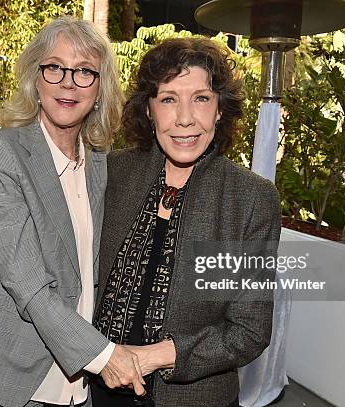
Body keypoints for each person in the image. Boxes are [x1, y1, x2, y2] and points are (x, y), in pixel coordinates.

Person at [0, 17, 149, 407]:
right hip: (12, 375)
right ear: (35, 79)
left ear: (100, 89)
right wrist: (105, 355)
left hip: (81, 382)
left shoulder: (104, 165)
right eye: (55, 67)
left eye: (85, 71)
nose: (68, 82)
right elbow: (29, 284)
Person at [91, 38, 281, 407]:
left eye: (201, 98)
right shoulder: (113, 171)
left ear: (220, 110)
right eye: (168, 99)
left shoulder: (250, 199)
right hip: (99, 390)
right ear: (148, 110)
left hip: (193, 398)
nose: (184, 118)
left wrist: (151, 357)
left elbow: (249, 330)